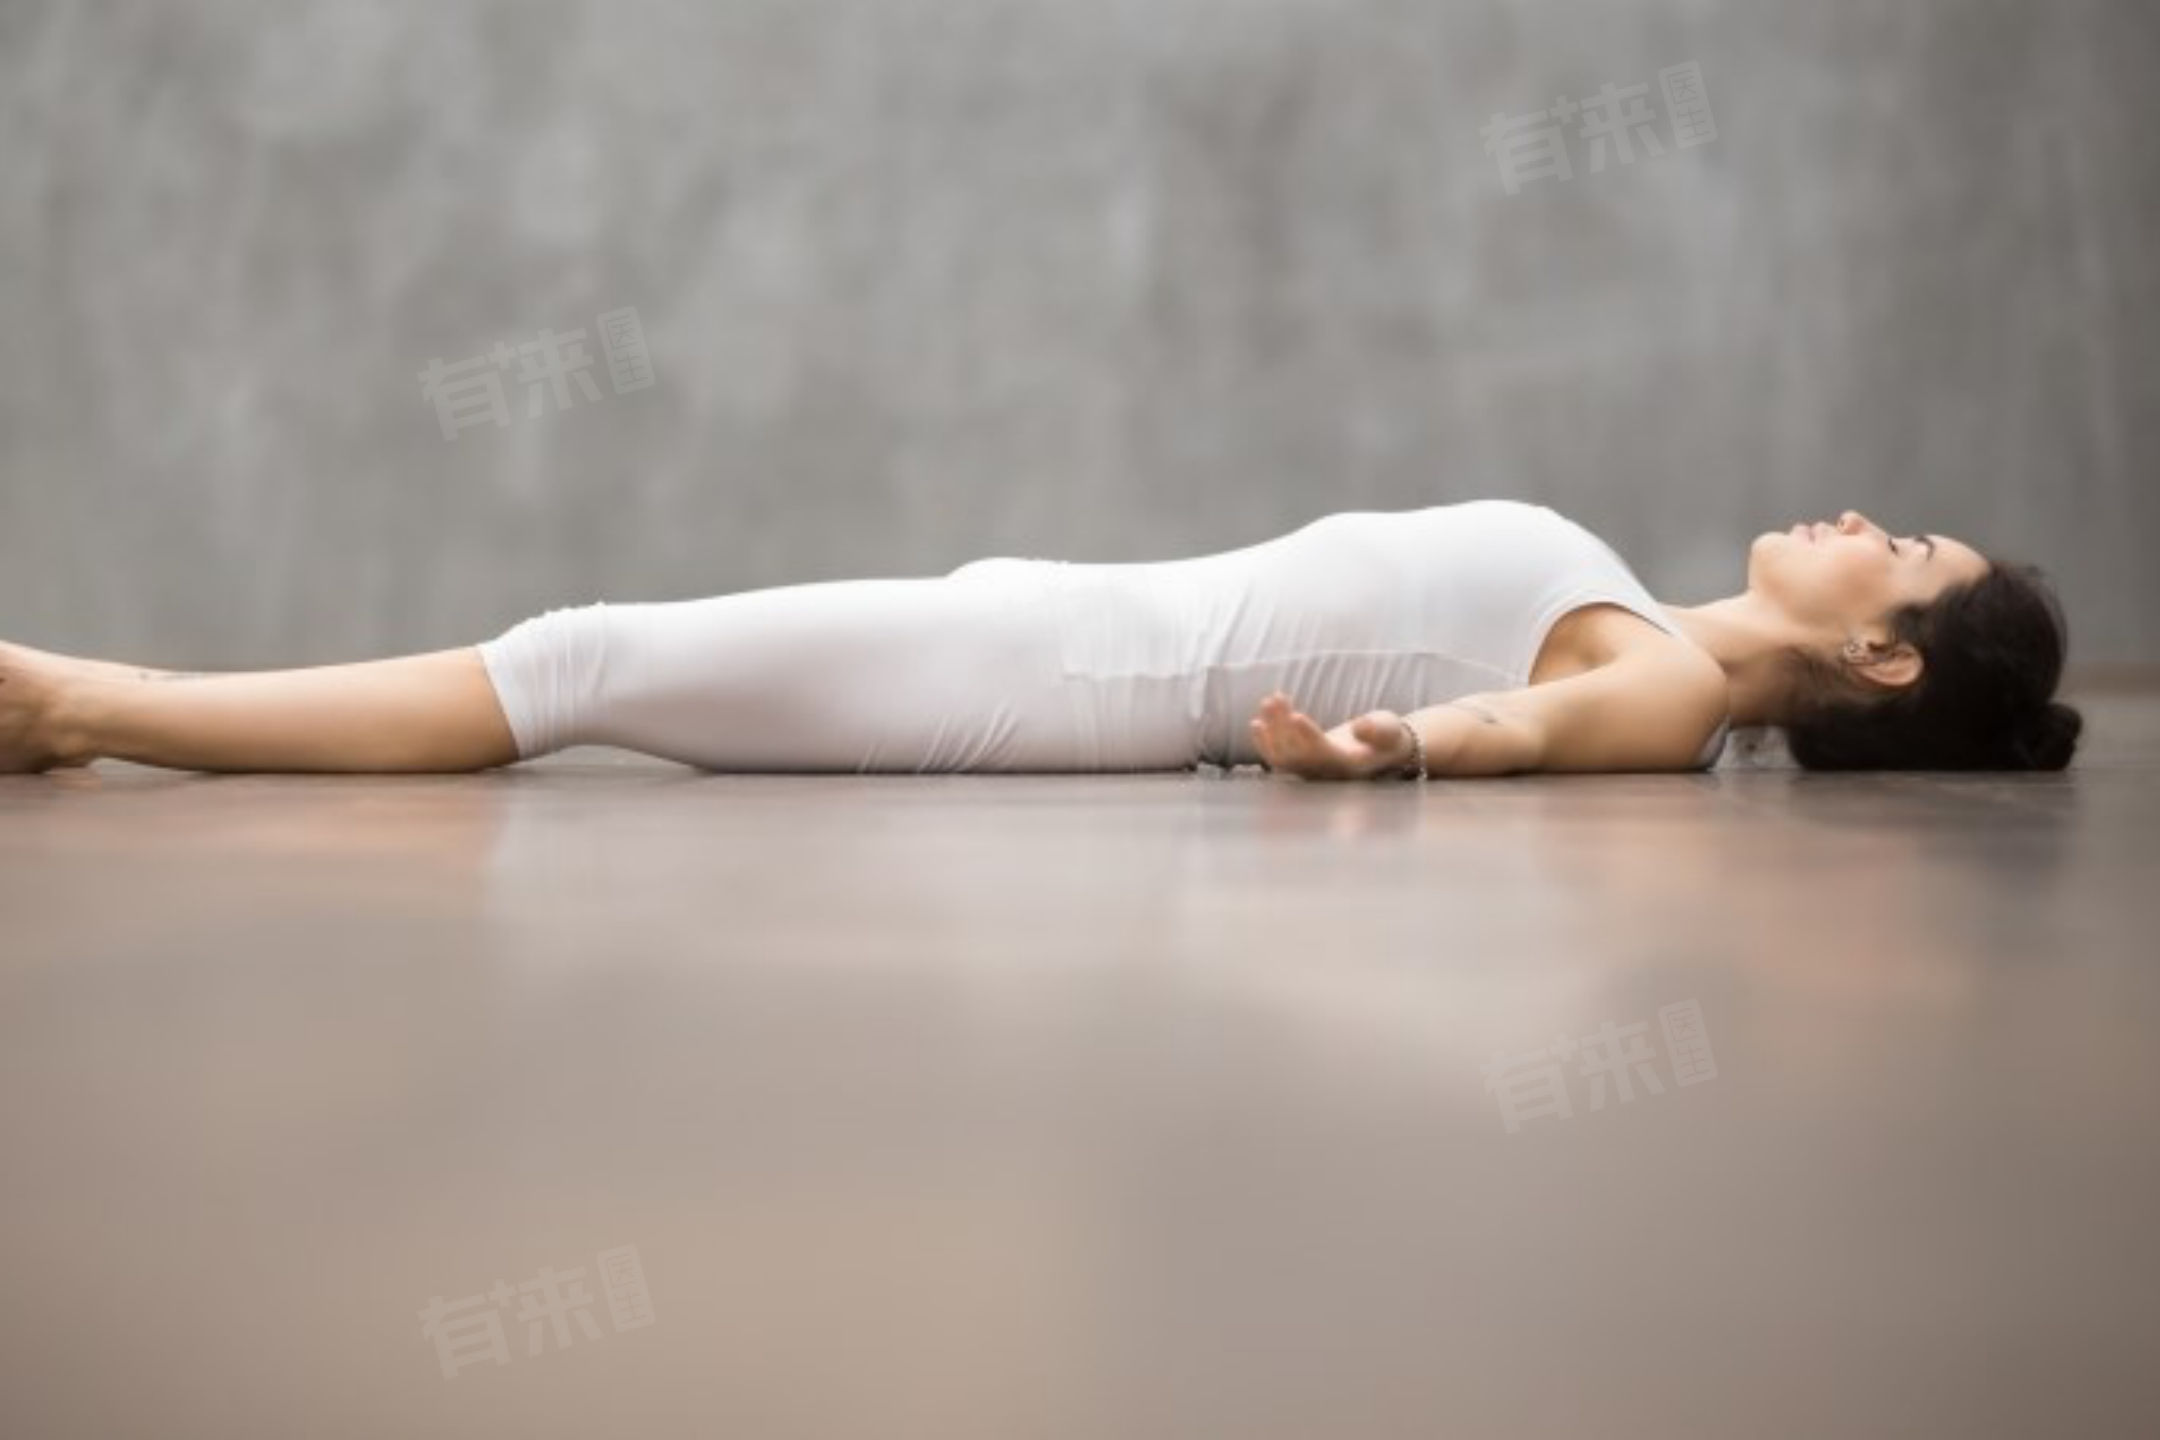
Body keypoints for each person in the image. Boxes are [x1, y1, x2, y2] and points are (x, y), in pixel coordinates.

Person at [0, 500, 2079, 780]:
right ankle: (92, 702)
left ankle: (75, 702)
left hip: (1069, 679)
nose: (1856, 519)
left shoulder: (1675, 685)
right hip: (1058, 630)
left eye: (1897, 548)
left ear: (1888, 658)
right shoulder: (1643, 616)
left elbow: (1522, 742)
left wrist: (1387, 756)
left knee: (583, 662)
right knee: (587, 660)